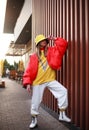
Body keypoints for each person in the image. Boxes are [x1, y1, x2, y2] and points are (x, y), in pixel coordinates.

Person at [23, 34, 71, 129]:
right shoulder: (34, 56)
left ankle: (62, 114)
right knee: (35, 102)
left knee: (63, 91)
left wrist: (54, 39)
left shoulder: (52, 50)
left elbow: (64, 44)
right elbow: (28, 70)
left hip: (50, 79)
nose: (44, 41)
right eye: (42, 40)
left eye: (45, 40)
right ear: (38, 44)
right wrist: (28, 83)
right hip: (38, 82)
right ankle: (34, 119)